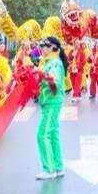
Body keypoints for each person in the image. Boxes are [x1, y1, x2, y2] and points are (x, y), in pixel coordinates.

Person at [35, 37, 67, 180]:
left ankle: (49, 169)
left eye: (45, 46)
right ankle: (58, 167)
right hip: (51, 101)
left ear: (54, 47)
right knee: (53, 135)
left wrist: (41, 76)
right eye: (42, 46)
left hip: (52, 102)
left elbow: (56, 83)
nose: (42, 48)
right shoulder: (50, 61)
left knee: (42, 134)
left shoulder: (53, 63)